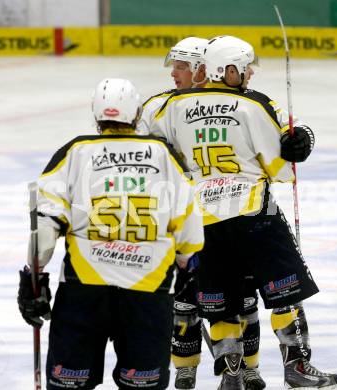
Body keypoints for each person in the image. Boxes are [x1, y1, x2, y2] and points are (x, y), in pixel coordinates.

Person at [151, 36, 337, 390]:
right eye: (246, 66)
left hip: (203, 222)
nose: (251, 72)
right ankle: (296, 366)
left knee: (220, 304)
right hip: (254, 216)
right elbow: (281, 163)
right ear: (229, 69)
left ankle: (231, 376)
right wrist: (302, 140)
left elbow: (147, 144)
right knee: (286, 293)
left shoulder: (169, 107)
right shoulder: (253, 104)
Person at [17, 78, 204, 390]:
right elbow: (189, 223)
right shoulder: (163, 154)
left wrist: (33, 280)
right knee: (143, 384)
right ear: (135, 114)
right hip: (150, 287)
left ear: (96, 114)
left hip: (84, 290)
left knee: (69, 383)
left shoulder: (75, 152)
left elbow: (45, 226)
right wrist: (187, 264)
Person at [137, 37, 208, 390]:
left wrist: (299, 137)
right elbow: (133, 153)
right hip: (177, 218)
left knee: (233, 297)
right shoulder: (155, 108)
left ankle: (239, 367)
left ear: (201, 69)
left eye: (182, 66)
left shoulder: (232, 102)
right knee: (183, 297)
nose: (174, 73)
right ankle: (184, 368)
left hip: (226, 214)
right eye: (175, 66)